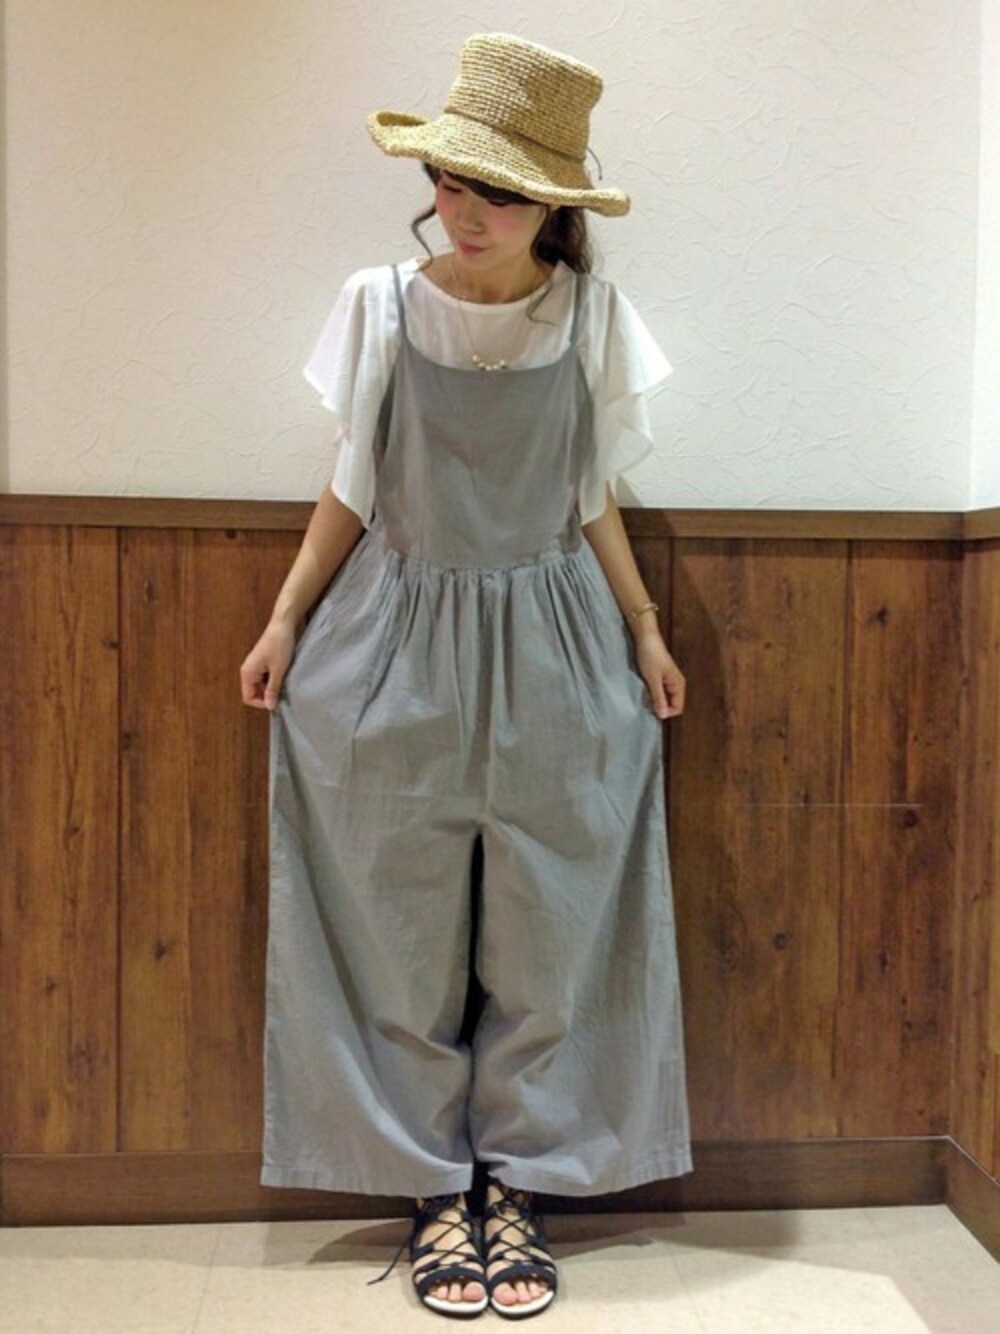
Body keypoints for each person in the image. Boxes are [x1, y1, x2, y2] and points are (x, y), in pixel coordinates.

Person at [240, 31, 693, 1321]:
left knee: (557, 929)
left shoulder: (593, 317)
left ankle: (522, 1188)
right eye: (448, 181)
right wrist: (285, 620)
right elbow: (353, 481)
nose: (464, 210)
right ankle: (436, 1191)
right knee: (393, 929)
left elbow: (589, 492)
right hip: (394, 636)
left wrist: (646, 630)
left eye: (494, 190)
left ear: (551, 203)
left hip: (556, 637)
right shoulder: (378, 302)